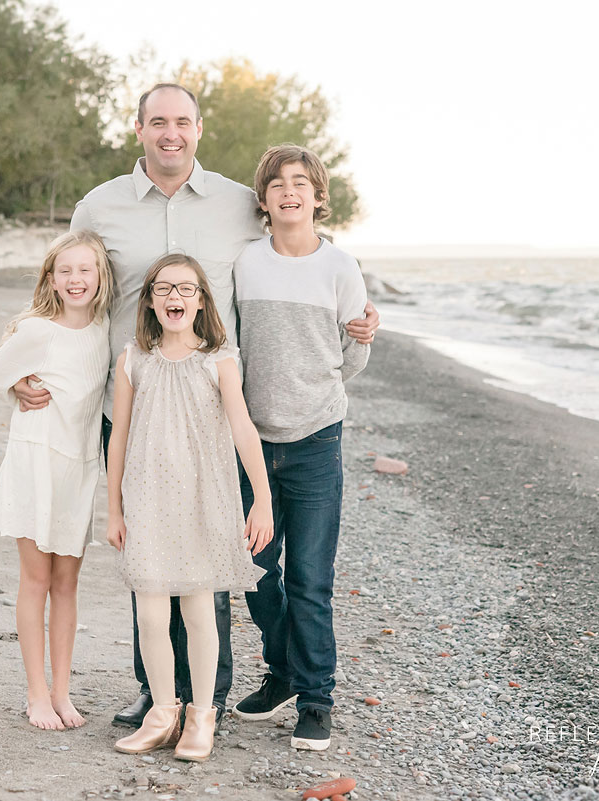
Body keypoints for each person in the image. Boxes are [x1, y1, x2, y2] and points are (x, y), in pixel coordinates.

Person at [12, 83, 381, 729]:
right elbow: (64, 291)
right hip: (131, 403)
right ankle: (156, 691)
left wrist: (357, 324)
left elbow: (299, 258)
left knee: (211, 552)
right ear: (139, 130)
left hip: (214, 409)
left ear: (199, 128)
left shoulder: (243, 203)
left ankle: (206, 694)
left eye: (182, 121)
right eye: (158, 122)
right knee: (146, 547)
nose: (170, 133)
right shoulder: (99, 205)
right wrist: (22, 364)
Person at [230, 144, 372, 752]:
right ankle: (282, 669)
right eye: (278, 185)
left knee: (310, 578)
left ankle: (316, 697)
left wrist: (313, 390)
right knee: (255, 573)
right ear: (263, 200)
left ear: (318, 196)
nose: (290, 193)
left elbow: (353, 354)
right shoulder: (244, 263)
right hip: (250, 442)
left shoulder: (340, 267)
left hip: (316, 438)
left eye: (301, 183)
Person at [106, 253, 273, 762]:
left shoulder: (219, 358)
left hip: (205, 499)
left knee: (201, 612)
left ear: (201, 300)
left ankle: (202, 715)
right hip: (148, 500)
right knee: (152, 615)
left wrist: (261, 499)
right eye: (164, 289)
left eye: (185, 289)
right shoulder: (133, 358)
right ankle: (162, 711)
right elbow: (120, 438)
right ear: (151, 299)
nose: (174, 297)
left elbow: (243, 429)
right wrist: (113, 507)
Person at [0, 230, 112, 730]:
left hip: (77, 469)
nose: (76, 280)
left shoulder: (104, 330)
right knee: (36, 580)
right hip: (34, 463)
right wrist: (16, 384)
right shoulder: (37, 330)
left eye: (85, 270)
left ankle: (62, 692)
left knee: (67, 584)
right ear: (50, 279)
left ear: (101, 276)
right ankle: (35, 694)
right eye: (66, 271)